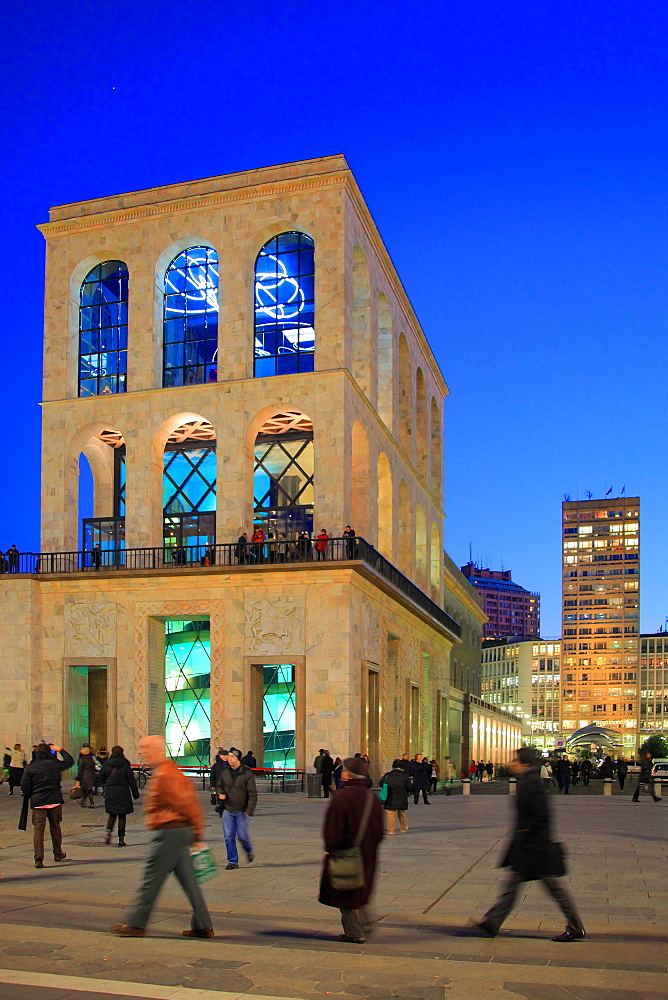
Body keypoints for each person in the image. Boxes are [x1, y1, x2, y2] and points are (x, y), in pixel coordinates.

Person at [473, 748, 585, 942]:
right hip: (530, 846)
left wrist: (526, 832)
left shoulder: (530, 783)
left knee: (552, 889)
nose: (511, 763)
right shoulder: (528, 781)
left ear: (523, 763)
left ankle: (575, 926)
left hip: (535, 847)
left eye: (515, 760)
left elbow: (541, 813)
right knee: (513, 887)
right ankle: (492, 922)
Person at [112, 735, 214, 938]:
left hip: (171, 832)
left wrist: (197, 832)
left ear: (157, 750)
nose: (142, 752)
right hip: (175, 831)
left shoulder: (167, 774)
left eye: (144, 748)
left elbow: (187, 804)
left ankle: (136, 923)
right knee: (189, 880)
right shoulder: (165, 771)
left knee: (152, 877)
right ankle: (203, 925)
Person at [319, 756, 384, 943]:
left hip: (346, 854)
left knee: (346, 891)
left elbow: (332, 831)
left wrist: (332, 849)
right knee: (360, 889)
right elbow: (379, 831)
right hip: (368, 853)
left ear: (346, 774)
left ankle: (355, 932)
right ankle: (366, 922)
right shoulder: (372, 798)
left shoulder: (342, 797)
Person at [20, 742, 73, 868]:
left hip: (38, 802)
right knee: (55, 827)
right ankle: (57, 853)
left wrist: (31, 794)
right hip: (54, 799)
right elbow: (69, 761)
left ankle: (38, 858)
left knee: (38, 830)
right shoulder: (55, 765)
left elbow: (25, 786)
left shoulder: (31, 767)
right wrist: (60, 749)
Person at [215, 749, 258, 870]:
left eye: (232, 756)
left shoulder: (246, 773)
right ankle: (232, 861)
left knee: (242, 835)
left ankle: (248, 850)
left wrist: (249, 810)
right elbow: (219, 785)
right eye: (229, 756)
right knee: (229, 836)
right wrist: (221, 793)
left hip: (242, 810)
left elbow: (252, 794)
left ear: (238, 758)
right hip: (228, 809)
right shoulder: (225, 772)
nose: (230, 758)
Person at [98, 745, 140, 846]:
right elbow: (131, 780)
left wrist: (105, 786)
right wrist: (135, 794)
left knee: (112, 815)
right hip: (123, 792)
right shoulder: (125, 764)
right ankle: (121, 839)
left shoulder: (107, 764)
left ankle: (108, 833)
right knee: (122, 816)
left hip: (111, 792)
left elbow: (101, 777)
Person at [379, 758, 412, 834]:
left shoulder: (388, 775)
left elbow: (381, 783)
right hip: (402, 797)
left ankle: (391, 830)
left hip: (390, 797)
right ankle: (403, 828)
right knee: (402, 813)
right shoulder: (405, 776)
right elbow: (410, 787)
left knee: (390, 815)